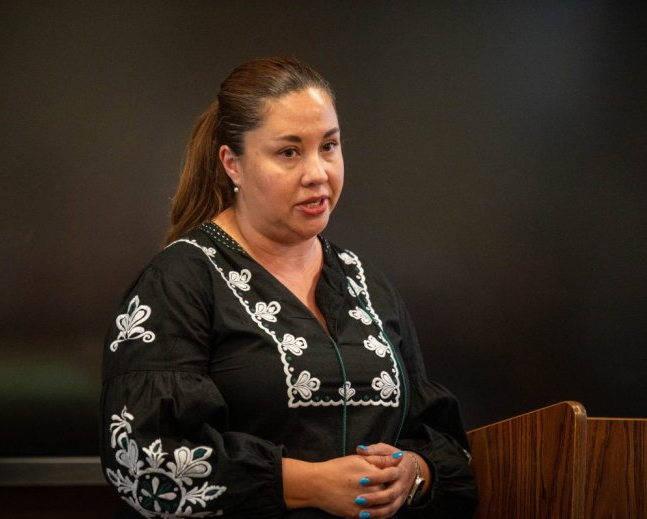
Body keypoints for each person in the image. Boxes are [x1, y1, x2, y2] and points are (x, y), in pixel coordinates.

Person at [101, 57, 477, 519]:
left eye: (330, 146)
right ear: (232, 164)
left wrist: (415, 473)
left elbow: (444, 444)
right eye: (289, 152)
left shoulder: (368, 285)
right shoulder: (181, 280)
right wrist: (309, 484)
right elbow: (142, 465)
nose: (317, 172)